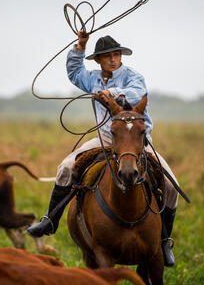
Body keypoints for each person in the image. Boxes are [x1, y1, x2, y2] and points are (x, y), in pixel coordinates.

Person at [27, 31, 179, 267]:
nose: (113, 59)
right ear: (98, 60)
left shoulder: (132, 76)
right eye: (107, 56)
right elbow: (75, 73)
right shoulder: (93, 78)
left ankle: (164, 241)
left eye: (116, 55)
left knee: (171, 185)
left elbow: (137, 93)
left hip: (136, 142)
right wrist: (80, 45)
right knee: (66, 167)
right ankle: (50, 220)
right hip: (107, 138)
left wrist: (111, 94)